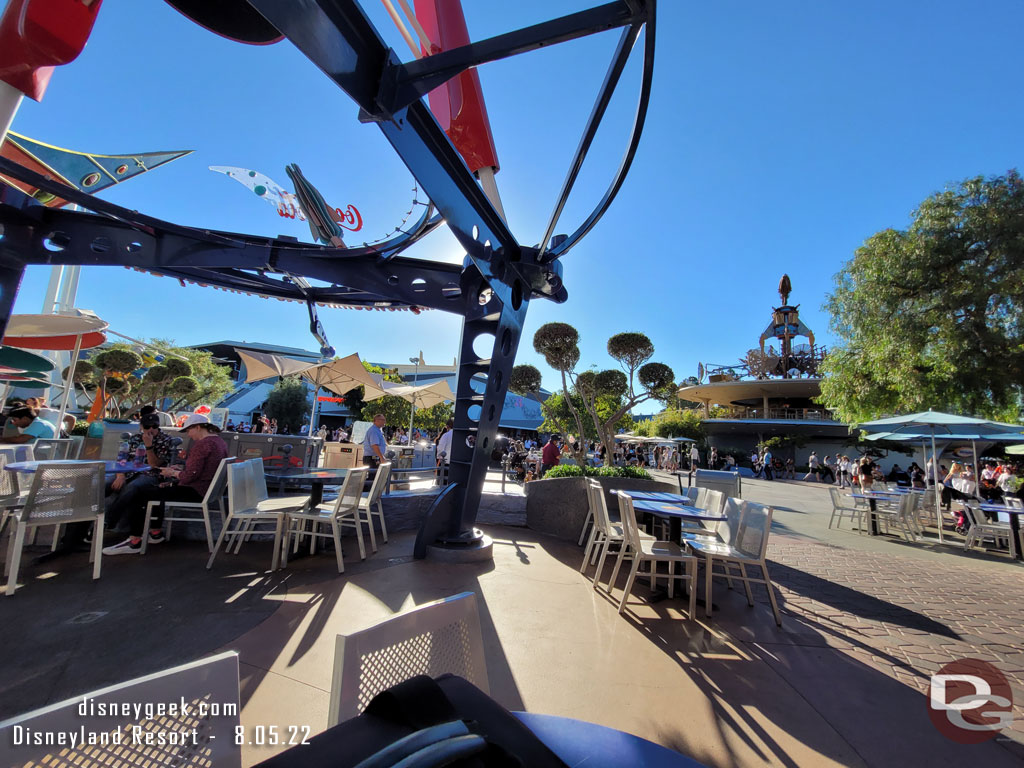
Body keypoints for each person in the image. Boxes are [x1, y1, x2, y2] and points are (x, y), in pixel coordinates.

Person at [103, 414, 228, 555]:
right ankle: (154, 532)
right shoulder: (220, 442)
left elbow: (188, 477)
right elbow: (201, 470)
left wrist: (172, 473)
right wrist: (180, 469)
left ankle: (134, 541)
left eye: (189, 430)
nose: (188, 434)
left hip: (195, 491)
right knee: (154, 490)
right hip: (208, 491)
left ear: (198, 427)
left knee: (141, 493)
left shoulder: (202, 445)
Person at [102, 412, 176, 534]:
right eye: (147, 426)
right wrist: (120, 475)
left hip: (151, 474)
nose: (151, 429)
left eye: (154, 426)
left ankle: (109, 521)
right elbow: (122, 459)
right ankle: (83, 523)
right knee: (104, 484)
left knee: (133, 487)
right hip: (128, 472)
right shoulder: (135, 438)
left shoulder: (165, 440)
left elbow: (154, 464)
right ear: (141, 427)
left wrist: (149, 446)